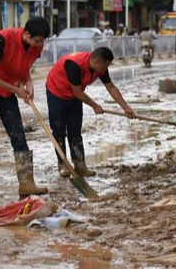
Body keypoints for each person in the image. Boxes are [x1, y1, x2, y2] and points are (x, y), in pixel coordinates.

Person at [0, 17, 51, 199]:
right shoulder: (3, 39)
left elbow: (26, 68)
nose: (39, 45)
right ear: (26, 34)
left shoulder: (36, 46)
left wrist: (28, 83)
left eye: (42, 41)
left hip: (6, 88)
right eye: (37, 40)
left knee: (18, 133)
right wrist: (17, 90)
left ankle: (26, 183)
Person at [45, 47, 134, 178]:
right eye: (104, 67)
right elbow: (78, 92)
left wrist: (125, 107)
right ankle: (63, 166)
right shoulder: (73, 65)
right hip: (56, 93)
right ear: (96, 63)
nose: (105, 70)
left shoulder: (100, 68)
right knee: (59, 131)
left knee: (75, 130)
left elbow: (111, 87)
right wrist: (95, 106)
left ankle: (80, 165)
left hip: (74, 96)